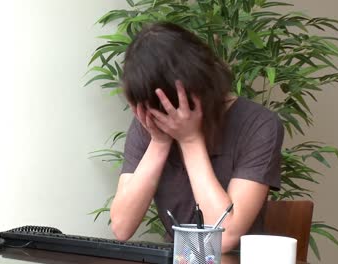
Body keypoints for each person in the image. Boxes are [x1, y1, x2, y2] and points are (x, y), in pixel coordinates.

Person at [109, 22, 284, 253]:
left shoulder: (259, 124)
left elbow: (224, 237)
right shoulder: (151, 122)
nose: (164, 115)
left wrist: (190, 140)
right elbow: (121, 226)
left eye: (169, 105)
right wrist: (159, 142)